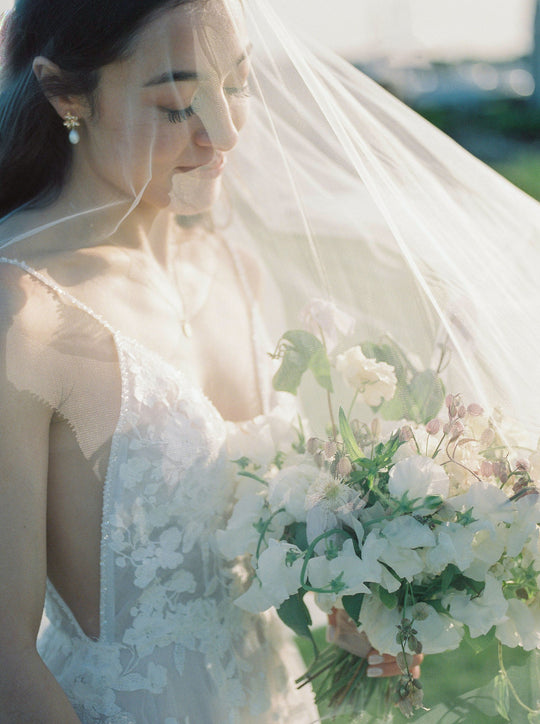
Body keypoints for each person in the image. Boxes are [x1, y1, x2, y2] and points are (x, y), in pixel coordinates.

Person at [0, 0, 538, 722]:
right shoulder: (22, 312)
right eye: (177, 103)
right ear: (68, 94)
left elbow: (242, 553)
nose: (223, 133)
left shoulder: (231, 267)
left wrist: (355, 604)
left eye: (238, 85)